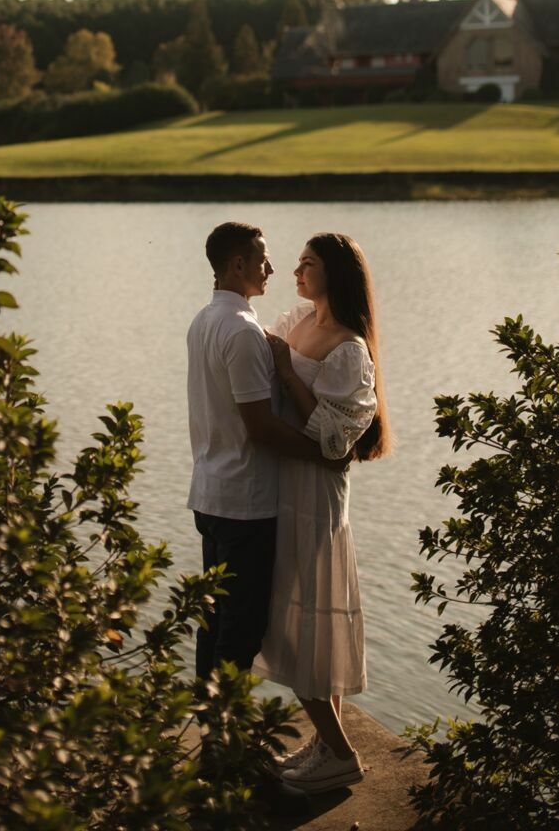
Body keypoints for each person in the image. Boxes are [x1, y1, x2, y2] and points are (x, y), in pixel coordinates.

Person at [254, 232, 391, 798]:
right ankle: (326, 745)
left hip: (316, 494)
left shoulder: (350, 348)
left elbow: (335, 439)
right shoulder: (296, 320)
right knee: (307, 622)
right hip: (285, 483)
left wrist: (289, 372)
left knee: (300, 621)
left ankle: (340, 752)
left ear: (334, 271)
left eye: (308, 263)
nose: (296, 270)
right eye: (297, 263)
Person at [187, 222, 347, 690]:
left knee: (215, 623)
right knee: (241, 631)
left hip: (211, 492)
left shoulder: (204, 320)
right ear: (238, 265)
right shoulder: (240, 332)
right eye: (263, 259)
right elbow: (259, 427)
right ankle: (229, 751)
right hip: (244, 503)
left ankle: (215, 740)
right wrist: (323, 455)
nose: (272, 268)